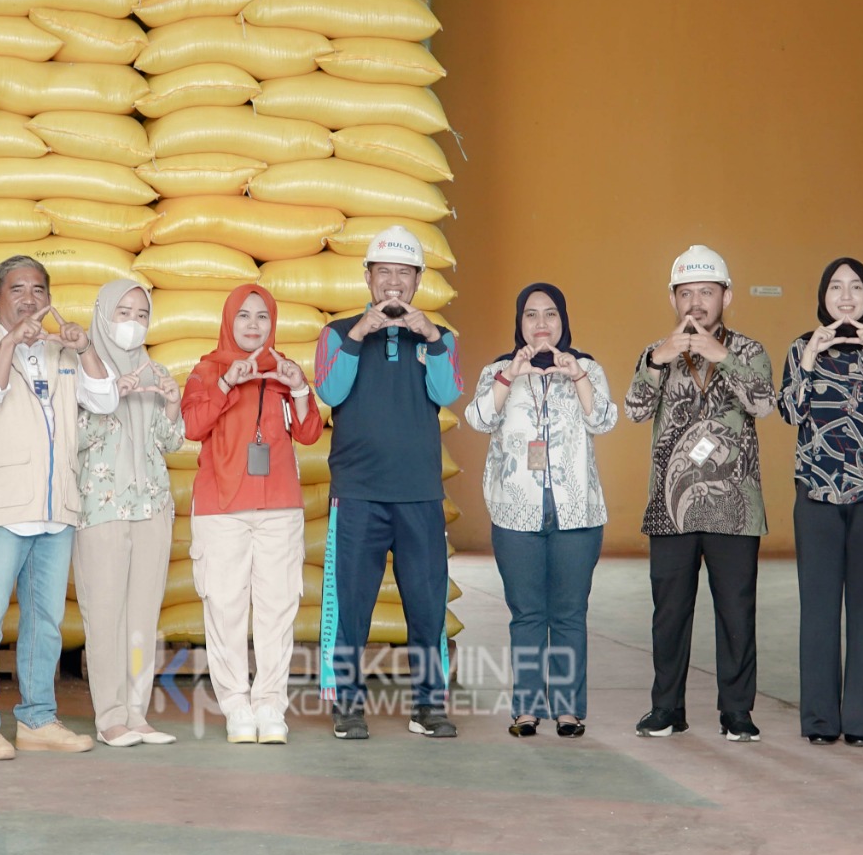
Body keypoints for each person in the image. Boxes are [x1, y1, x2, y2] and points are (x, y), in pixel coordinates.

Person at [0, 255, 116, 759]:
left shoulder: (62, 350)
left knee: (45, 621)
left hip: (56, 506)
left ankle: (37, 719)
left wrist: (85, 346)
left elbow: (105, 400)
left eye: (38, 290)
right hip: (0, 507)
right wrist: (8, 343)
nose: (29, 300)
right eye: (17, 290)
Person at [624, 244, 778, 742]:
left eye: (706, 293)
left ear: (725, 296)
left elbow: (762, 403)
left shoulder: (750, 351)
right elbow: (634, 409)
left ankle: (737, 712)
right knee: (669, 614)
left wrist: (722, 357)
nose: (696, 303)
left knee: (736, 612)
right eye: (686, 293)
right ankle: (666, 708)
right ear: (673, 299)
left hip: (735, 508)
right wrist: (655, 360)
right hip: (670, 509)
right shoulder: (657, 351)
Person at [315, 224, 462, 740]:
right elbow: (331, 391)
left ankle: (428, 706)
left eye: (404, 274)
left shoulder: (440, 338)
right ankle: (347, 706)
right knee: (350, 606)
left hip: (420, 493)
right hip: (357, 493)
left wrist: (428, 337)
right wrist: (360, 334)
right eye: (385, 273)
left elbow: (447, 393)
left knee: (427, 605)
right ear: (369, 278)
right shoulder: (337, 333)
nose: (394, 284)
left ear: (418, 281)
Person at [465, 282, 616, 738]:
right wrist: (511, 376)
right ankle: (526, 708)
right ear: (520, 323)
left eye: (550, 314)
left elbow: (604, 420)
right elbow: (478, 419)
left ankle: (568, 710)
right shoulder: (499, 371)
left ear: (563, 321)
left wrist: (578, 377)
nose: (542, 324)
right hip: (516, 514)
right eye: (531, 315)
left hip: (577, 515)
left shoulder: (585, 367)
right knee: (527, 614)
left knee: (569, 613)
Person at [183, 283, 323, 745]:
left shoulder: (284, 373)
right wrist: (228, 382)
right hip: (221, 508)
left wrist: (299, 386)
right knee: (224, 607)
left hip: (279, 506)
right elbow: (192, 426)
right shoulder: (206, 371)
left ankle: (270, 705)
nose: (252, 324)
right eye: (243, 315)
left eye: (262, 316)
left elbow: (308, 433)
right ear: (228, 320)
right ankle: (236, 706)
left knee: (277, 609)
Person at [776, 258, 863, 747]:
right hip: (816, 493)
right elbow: (790, 412)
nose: (846, 296)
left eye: (856, 287)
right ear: (823, 295)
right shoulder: (800, 347)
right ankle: (820, 722)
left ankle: (861, 723)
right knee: (819, 611)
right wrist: (808, 361)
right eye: (836, 286)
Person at [73, 278, 186, 748]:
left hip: (152, 505)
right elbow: (70, 440)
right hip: (101, 507)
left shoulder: (154, 368)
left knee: (143, 614)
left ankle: (137, 712)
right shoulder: (80, 369)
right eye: (124, 313)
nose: (133, 323)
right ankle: (110, 716)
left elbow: (171, 442)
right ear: (102, 314)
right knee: (105, 614)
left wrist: (173, 402)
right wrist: (108, 395)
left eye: (141, 314)